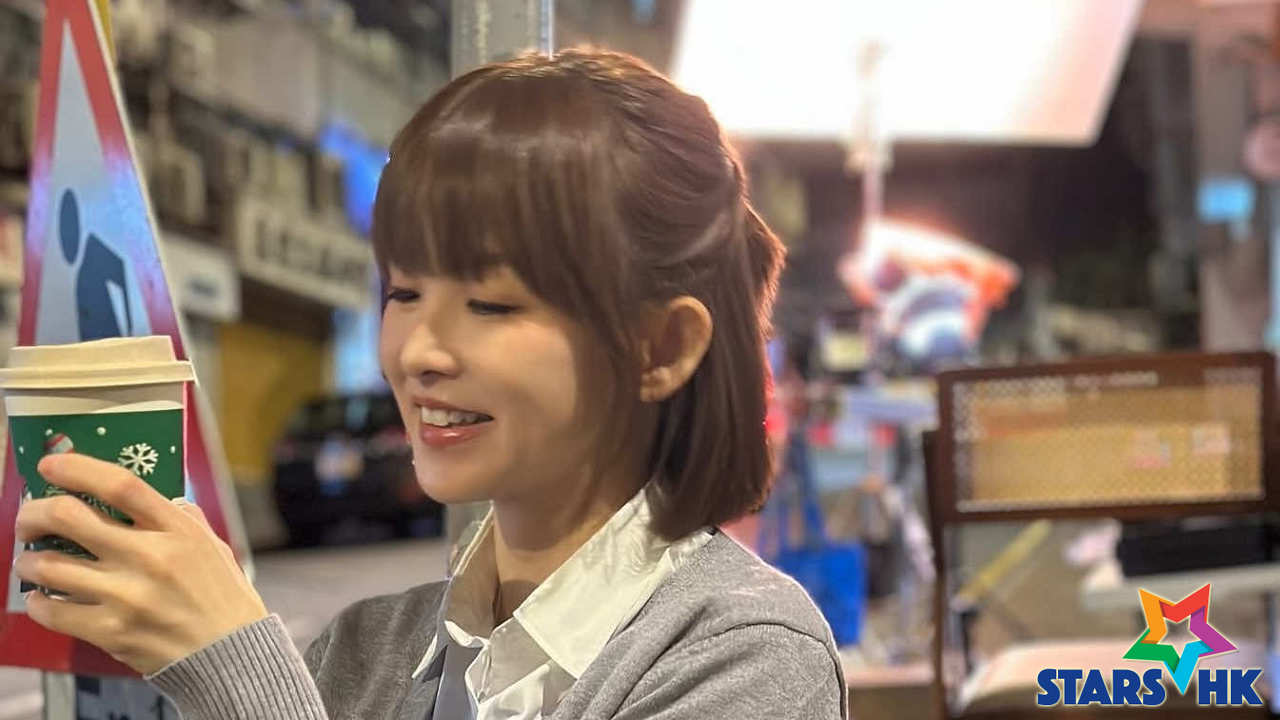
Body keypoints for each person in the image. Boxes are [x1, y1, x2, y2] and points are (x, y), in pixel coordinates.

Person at [15, 48, 848, 719]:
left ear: (660, 347)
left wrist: (233, 665)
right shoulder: (366, 650)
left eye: (490, 303)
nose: (418, 351)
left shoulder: (744, 656)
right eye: (404, 293)